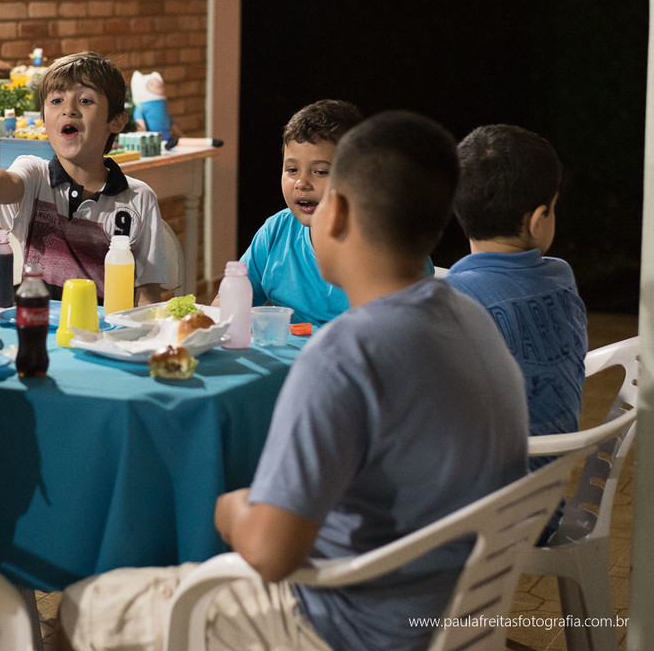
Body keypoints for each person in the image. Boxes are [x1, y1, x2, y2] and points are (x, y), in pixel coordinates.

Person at [59, 112, 530, 651]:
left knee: (84, 602)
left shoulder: (345, 354)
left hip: (347, 624)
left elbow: (270, 553)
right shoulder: (472, 320)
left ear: (339, 213)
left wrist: (229, 509)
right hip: (454, 611)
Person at [0, 51, 167, 304]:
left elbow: (147, 296)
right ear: (42, 121)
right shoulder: (35, 175)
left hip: (102, 337)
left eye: (85, 101)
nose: (69, 110)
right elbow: (6, 182)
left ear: (116, 121)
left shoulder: (139, 199)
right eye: (57, 100)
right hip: (35, 326)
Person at [446, 124, 588, 462]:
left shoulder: (446, 300)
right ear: (539, 219)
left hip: (474, 509)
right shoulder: (560, 277)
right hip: (545, 501)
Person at [229, 100, 364, 325]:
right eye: (292, 170)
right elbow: (229, 301)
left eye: (320, 172)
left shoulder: (382, 244)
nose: (302, 183)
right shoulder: (275, 232)